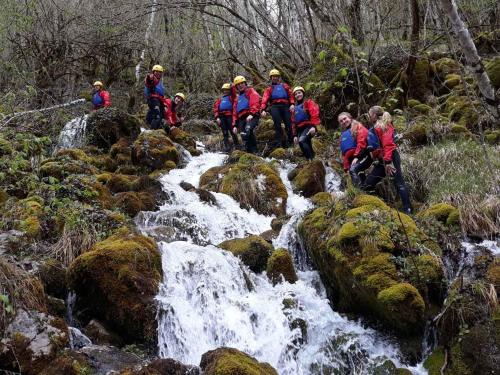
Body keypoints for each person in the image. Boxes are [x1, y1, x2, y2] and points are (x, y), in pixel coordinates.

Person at [364, 106, 412, 214]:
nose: (368, 116)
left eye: (370, 114)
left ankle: (408, 210)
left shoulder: (384, 125)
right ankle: (376, 208)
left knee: (399, 183)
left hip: (391, 158)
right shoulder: (374, 128)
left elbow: (388, 145)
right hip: (382, 160)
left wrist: (388, 162)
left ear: (375, 115)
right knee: (368, 183)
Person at [261, 69, 294, 148]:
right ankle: (279, 142)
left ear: (279, 77)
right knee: (277, 124)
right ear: (271, 78)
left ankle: (291, 141)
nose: (275, 78)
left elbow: (291, 95)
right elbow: (264, 99)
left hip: (286, 106)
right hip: (275, 107)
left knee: (289, 124)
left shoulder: (285, 86)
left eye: (276, 76)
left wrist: (292, 103)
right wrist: (263, 109)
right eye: (273, 77)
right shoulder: (269, 89)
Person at [338, 112, 371, 187]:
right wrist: (346, 166)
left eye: (345, 118)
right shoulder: (343, 135)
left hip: (363, 154)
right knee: (358, 174)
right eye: (341, 121)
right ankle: (365, 190)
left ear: (350, 117)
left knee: (353, 170)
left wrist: (357, 157)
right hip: (352, 158)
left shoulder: (358, 127)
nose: (343, 121)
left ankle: (359, 193)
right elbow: (344, 152)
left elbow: (362, 142)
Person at [232, 75, 261, 154]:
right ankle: (249, 152)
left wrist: (252, 114)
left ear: (245, 83)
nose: (240, 85)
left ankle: (255, 151)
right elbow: (234, 112)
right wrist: (234, 125)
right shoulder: (237, 99)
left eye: (242, 83)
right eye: (238, 85)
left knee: (248, 130)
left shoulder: (251, 91)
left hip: (252, 115)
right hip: (241, 118)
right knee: (243, 135)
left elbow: (255, 102)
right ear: (236, 87)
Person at [291, 87, 320, 160]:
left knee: (302, 141)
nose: (298, 95)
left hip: (309, 126)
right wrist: (294, 135)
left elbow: (314, 114)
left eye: (299, 93)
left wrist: (313, 127)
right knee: (304, 143)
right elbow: (293, 122)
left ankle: (310, 161)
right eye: (296, 94)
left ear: (303, 93)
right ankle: (312, 159)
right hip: (300, 129)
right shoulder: (294, 108)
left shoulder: (308, 102)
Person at [214, 83, 239, 152]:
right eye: (224, 90)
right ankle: (227, 148)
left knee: (232, 131)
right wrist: (217, 117)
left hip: (230, 116)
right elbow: (216, 109)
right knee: (225, 133)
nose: (225, 91)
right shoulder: (220, 99)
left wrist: (232, 86)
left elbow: (234, 92)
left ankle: (237, 146)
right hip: (222, 117)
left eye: (227, 90)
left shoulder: (232, 97)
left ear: (229, 90)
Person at [144, 64, 166, 130]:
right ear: (153, 72)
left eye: (160, 72)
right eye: (157, 71)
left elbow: (161, 94)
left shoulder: (160, 83)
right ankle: (152, 132)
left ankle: (149, 120)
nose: (158, 73)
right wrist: (149, 78)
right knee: (157, 116)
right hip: (153, 100)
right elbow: (148, 82)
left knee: (162, 118)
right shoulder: (152, 78)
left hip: (159, 101)